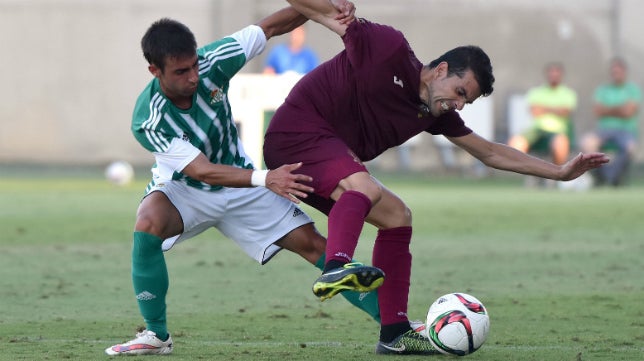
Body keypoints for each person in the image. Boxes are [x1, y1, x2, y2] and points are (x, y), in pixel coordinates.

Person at [263, 0, 609, 355]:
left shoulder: (431, 112)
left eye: (466, 102)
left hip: (325, 160)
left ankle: (394, 331)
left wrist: (560, 172)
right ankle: (336, 266)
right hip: (295, 136)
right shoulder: (387, 47)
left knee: (398, 216)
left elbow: (489, 152)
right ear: (441, 69)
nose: (459, 105)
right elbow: (323, 13)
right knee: (363, 185)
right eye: (461, 92)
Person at [104, 4, 386, 357]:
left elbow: (270, 26)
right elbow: (201, 170)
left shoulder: (214, 60)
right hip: (188, 189)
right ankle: (157, 335)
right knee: (147, 223)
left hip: (243, 182)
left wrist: (326, 8)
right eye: (180, 71)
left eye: (194, 66)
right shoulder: (149, 119)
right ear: (154, 70)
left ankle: (394, 328)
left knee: (314, 246)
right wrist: (267, 178)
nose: (193, 76)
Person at [581, 57, 641, 186]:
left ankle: (612, 177)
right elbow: (598, 111)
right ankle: (603, 176)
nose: (616, 75)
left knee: (630, 148)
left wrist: (608, 109)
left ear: (624, 72)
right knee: (588, 143)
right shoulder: (603, 90)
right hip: (604, 131)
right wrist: (620, 108)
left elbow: (628, 112)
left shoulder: (632, 89)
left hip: (626, 131)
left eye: (618, 72)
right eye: (614, 72)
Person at [508, 62, 578, 165]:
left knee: (560, 144)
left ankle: (557, 174)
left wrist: (544, 108)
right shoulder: (536, 92)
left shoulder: (569, 93)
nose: (554, 75)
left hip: (558, 131)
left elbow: (565, 112)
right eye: (551, 72)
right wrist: (556, 109)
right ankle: (525, 170)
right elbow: (534, 111)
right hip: (537, 130)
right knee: (516, 142)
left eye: (556, 73)